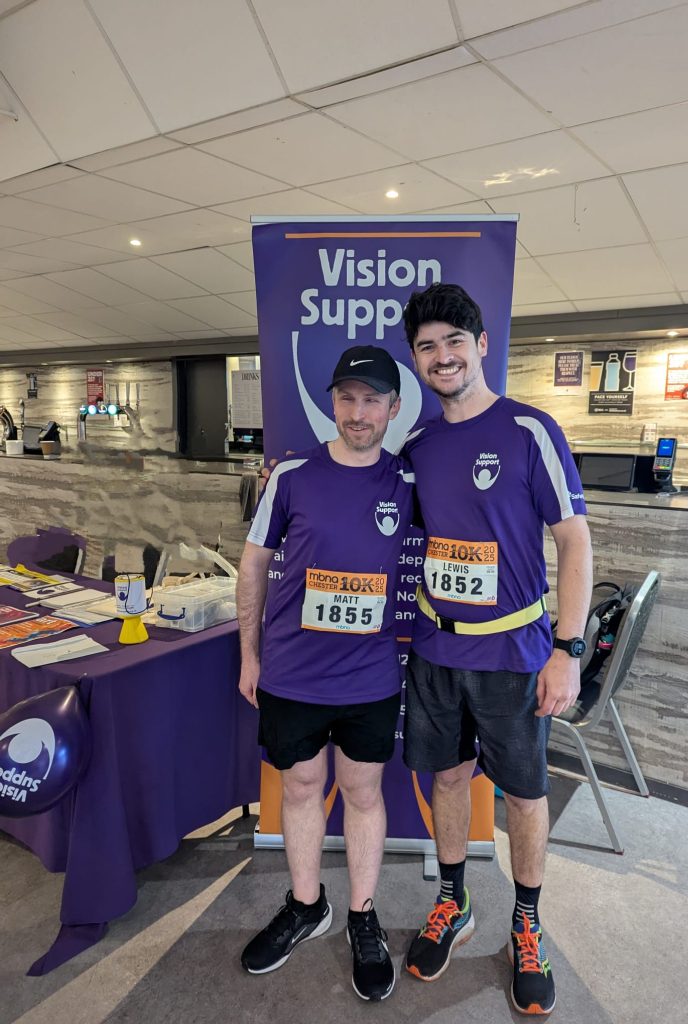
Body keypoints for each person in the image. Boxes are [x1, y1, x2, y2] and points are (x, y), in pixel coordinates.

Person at [400, 283, 592, 1016]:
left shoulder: (528, 429)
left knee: (523, 793)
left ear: (481, 346)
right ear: (415, 359)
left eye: (454, 341)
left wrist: (566, 649)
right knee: (448, 782)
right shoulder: (418, 446)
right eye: (426, 346)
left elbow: (572, 538)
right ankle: (453, 902)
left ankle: (526, 922)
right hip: (436, 653)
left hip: (515, 655)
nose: (441, 356)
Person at [237, 345, 414, 1003]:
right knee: (302, 787)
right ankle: (307, 905)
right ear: (331, 402)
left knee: (363, 793)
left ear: (393, 409)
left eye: (372, 400)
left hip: (369, 679)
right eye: (347, 397)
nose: (358, 412)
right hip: (291, 674)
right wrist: (250, 656)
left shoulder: (409, 481)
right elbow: (253, 563)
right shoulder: (292, 474)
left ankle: (362, 916)